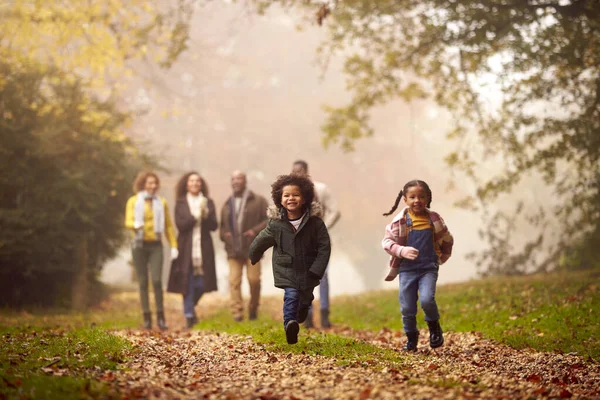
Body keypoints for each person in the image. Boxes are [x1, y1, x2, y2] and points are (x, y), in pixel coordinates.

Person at [249, 174, 331, 344]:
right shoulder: (276, 224)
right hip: (286, 268)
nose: (291, 199)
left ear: (304, 198)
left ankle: (301, 311)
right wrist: (254, 253)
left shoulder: (315, 223)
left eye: (295, 195)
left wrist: (317, 269)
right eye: (286, 195)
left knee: (305, 298)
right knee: (291, 294)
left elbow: (324, 247)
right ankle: (289, 325)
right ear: (280, 199)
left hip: (309, 269)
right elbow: (262, 239)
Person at [381, 179, 454, 351]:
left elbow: (447, 238)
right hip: (407, 269)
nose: (417, 200)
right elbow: (386, 242)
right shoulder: (399, 222)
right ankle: (411, 338)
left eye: (421, 196)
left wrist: (442, 257)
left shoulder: (434, 219)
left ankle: (434, 327)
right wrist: (401, 250)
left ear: (428, 198)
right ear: (405, 200)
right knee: (407, 306)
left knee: (427, 299)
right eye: (412, 197)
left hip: (428, 267)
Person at [125, 171, 178, 330]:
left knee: (156, 281)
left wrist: (174, 245)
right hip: (139, 246)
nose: (153, 186)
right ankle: (147, 317)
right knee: (142, 282)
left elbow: (168, 225)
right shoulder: (133, 201)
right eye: (150, 183)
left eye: (155, 183)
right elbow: (128, 220)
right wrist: (134, 225)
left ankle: (161, 317)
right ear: (143, 184)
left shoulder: (162, 202)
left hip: (156, 245)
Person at [291, 160, 340, 328]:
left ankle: (325, 314)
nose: (298, 174)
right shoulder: (291, 193)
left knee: (323, 276)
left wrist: (323, 227)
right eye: (295, 172)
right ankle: (308, 316)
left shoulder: (321, 189)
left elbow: (335, 211)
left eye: (300, 171)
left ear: (307, 171)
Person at [168, 172, 219, 329]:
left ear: (201, 184)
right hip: (185, 248)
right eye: (192, 181)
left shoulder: (208, 202)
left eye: (198, 181)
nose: (195, 183)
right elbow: (181, 225)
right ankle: (189, 315)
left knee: (203, 284)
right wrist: (195, 216)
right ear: (186, 184)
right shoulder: (181, 202)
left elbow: (214, 226)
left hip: (203, 247)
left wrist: (205, 216)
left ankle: (190, 307)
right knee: (187, 281)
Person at [219, 171, 269, 321]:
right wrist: (225, 235)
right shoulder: (227, 204)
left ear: (245, 181)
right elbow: (221, 228)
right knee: (234, 281)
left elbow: (270, 220)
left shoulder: (259, 201)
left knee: (254, 280)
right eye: (233, 179)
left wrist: (254, 231)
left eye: (239, 178)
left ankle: (253, 309)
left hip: (253, 248)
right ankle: (237, 313)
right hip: (233, 250)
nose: (236, 181)